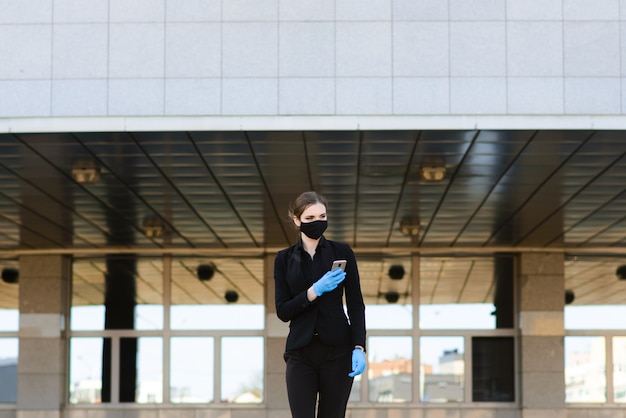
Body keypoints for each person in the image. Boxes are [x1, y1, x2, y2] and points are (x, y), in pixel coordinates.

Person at [274, 191, 366, 418]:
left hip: (338, 351)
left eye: (322, 216)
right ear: (297, 221)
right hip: (300, 352)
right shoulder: (284, 259)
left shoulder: (342, 252)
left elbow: (355, 304)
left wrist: (359, 346)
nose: (318, 222)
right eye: (310, 218)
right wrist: (313, 291)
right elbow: (283, 311)